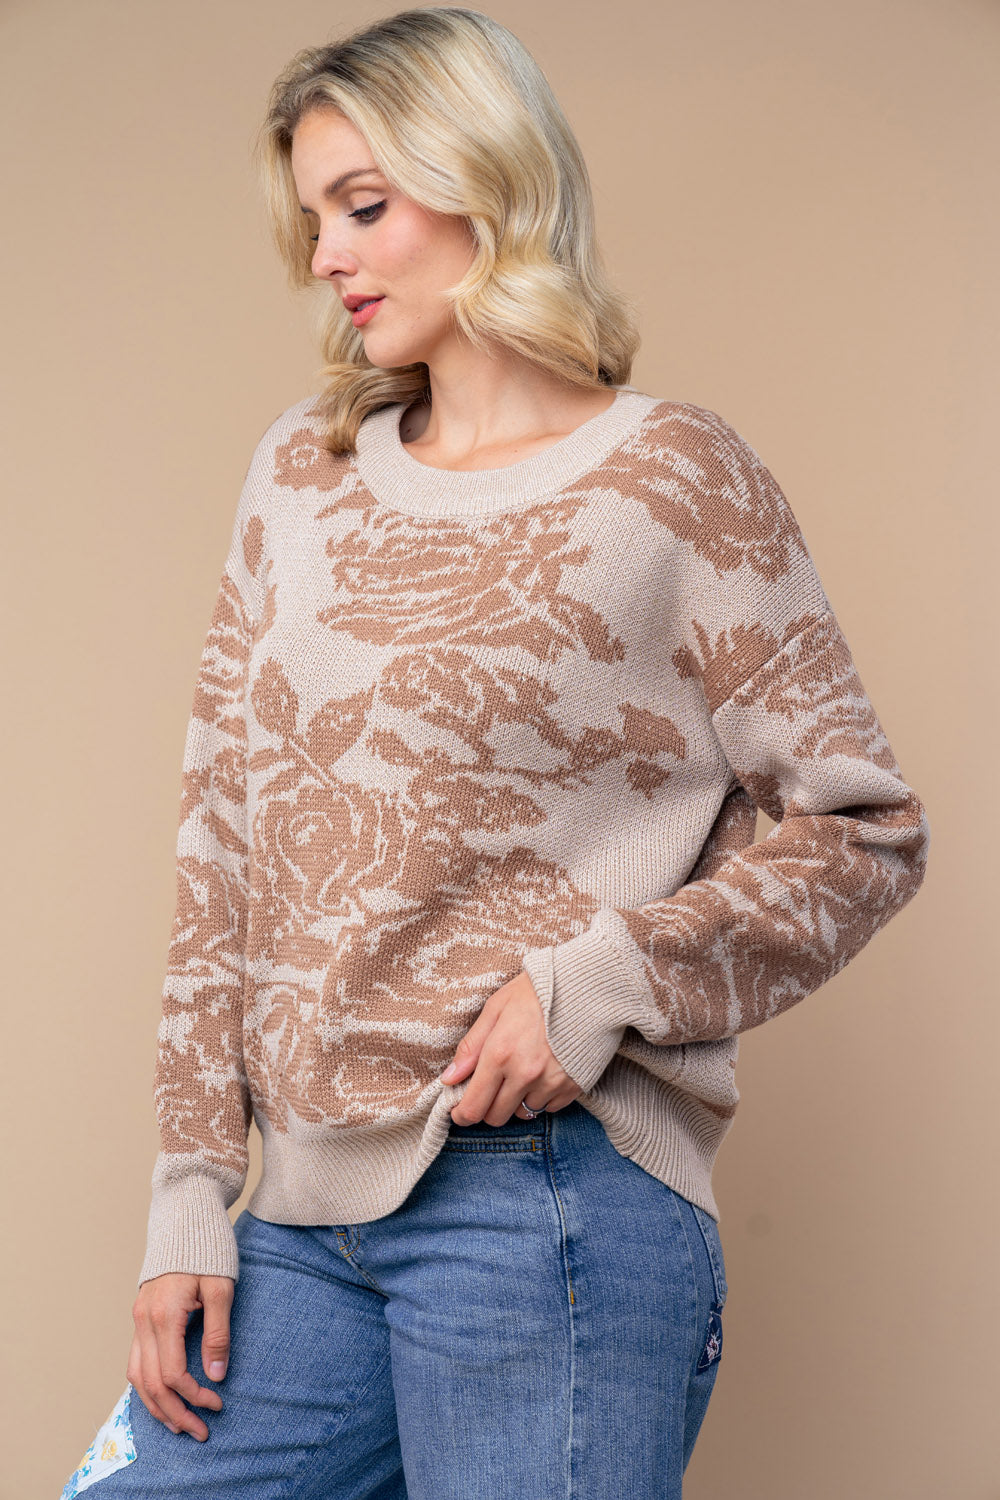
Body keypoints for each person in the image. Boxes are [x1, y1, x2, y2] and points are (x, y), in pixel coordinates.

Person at [59, 7, 931, 1498]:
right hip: (300, 1223)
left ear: (490, 183)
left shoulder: (674, 481)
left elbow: (864, 831)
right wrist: (190, 1196)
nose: (327, 257)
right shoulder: (299, 475)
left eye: (364, 206)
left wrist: (598, 984)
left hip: (546, 1205)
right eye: (313, 219)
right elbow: (222, 837)